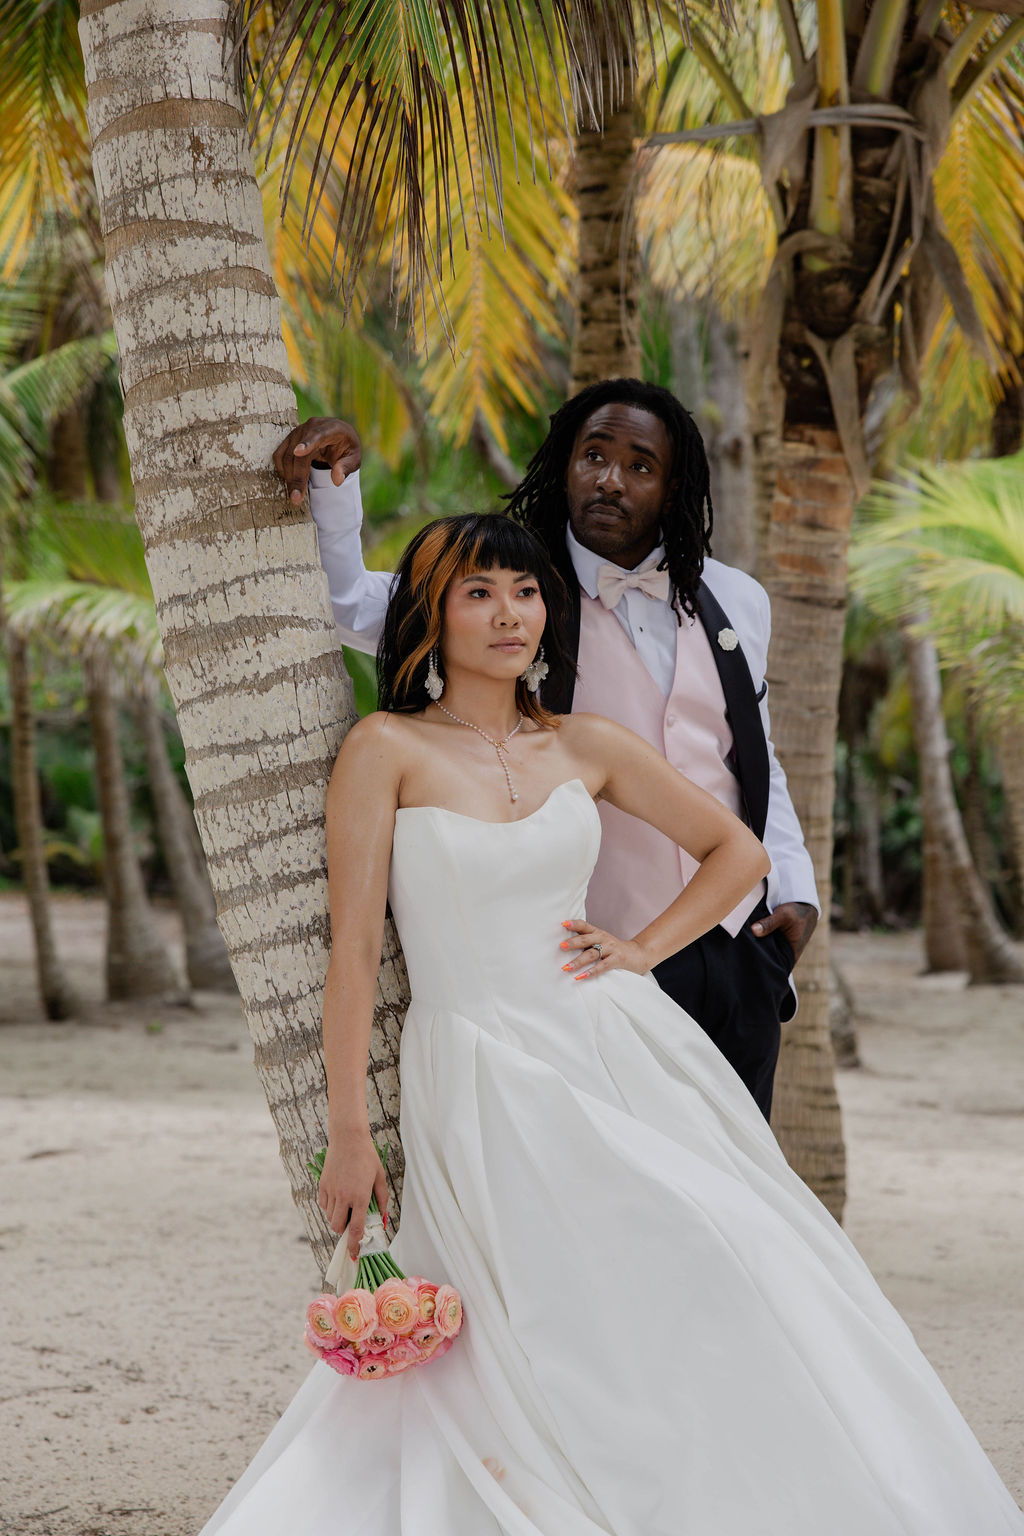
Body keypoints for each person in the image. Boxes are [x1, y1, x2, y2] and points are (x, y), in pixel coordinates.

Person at [198, 513, 1024, 1536]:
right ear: (431, 614)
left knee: (715, 1251)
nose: (510, 613)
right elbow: (355, 952)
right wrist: (351, 1133)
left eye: (526, 591)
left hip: (619, 1044)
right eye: (478, 593)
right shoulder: (384, 748)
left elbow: (735, 850)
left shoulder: (582, 742)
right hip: (482, 1066)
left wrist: (641, 949)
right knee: (551, 1308)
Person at [274, 381, 817, 1119]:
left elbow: (752, 753)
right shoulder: (519, 596)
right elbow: (353, 606)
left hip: (740, 947)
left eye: (639, 466)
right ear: (565, 464)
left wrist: (793, 883)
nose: (609, 479)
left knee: (739, 1183)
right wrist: (336, 489)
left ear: (674, 484)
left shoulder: (736, 599)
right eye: (593, 456)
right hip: (597, 958)